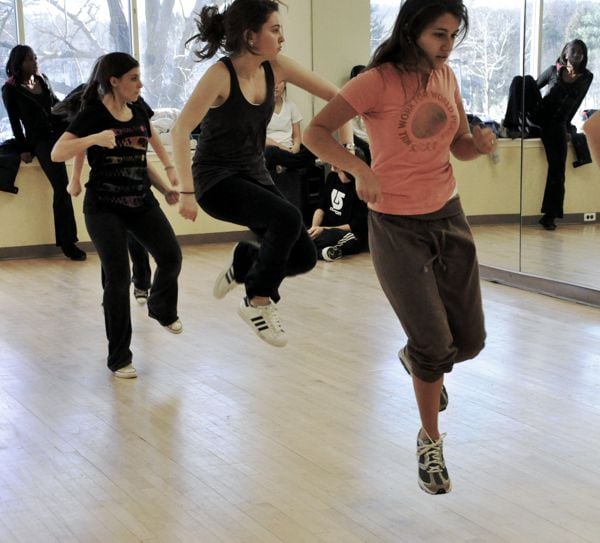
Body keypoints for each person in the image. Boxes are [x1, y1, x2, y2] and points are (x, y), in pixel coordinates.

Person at [304, 0, 494, 495]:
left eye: (453, 35)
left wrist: (478, 146)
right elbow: (316, 133)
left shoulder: (446, 77)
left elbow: (458, 146)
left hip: (448, 215)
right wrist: (359, 168)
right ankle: (430, 440)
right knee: (435, 344)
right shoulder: (377, 81)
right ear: (412, 31)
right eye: (438, 34)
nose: (447, 45)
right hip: (396, 224)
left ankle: (416, 358)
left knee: (469, 341)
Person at [171, 0, 354, 348]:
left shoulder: (277, 67)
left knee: (304, 256)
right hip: (215, 181)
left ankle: (245, 262)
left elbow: (338, 97)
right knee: (287, 217)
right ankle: (257, 301)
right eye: (275, 29)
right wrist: (186, 192)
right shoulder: (220, 75)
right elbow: (180, 130)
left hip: (254, 175)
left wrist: (345, 151)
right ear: (250, 36)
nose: (282, 38)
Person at [51, 52, 183, 379]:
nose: (141, 84)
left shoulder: (138, 111)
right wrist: (94, 139)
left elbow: (139, 159)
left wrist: (165, 188)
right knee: (118, 280)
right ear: (114, 81)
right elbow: (58, 153)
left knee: (171, 256)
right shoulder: (93, 114)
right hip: (103, 207)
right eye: (134, 79)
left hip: (141, 201)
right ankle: (120, 358)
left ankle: (160, 307)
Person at [2, 45, 86, 260]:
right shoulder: (10, 89)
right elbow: (15, 123)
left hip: (57, 128)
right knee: (62, 186)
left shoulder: (42, 80)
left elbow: (55, 105)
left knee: (85, 88)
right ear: (19, 63)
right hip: (40, 139)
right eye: (30, 59)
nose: (35, 62)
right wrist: (24, 148)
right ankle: (68, 243)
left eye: (36, 58)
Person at [503, 39, 593, 231]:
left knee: (557, 169)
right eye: (574, 51)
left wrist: (567, 126)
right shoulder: (553, 70)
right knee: (522, 80)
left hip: (556, 124)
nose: (577, 55)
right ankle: (511, 125)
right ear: (566, 53)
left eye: (581, 52)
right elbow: (532, 87)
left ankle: (550, 216)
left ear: (584, 56)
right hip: (539, 115)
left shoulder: (586, 77)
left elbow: (577, 102)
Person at [308, 170, 367, 261]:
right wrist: (314, 228)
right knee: (301, 232)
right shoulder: (332, 177)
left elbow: (355, 225)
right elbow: (321, 207)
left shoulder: (360, 187)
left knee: (329, 239)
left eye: (337, 167)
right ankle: (321, 252)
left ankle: (313, 250)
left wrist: (323, 229)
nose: (332, 169)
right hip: (325, 229)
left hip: (348, 233)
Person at [264, 79, 315, 172]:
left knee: (313, 148)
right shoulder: (261, 108)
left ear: (285, 84)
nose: (276, 86)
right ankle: (295, 163)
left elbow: (297, 136)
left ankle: (287, 165)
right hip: (273, 150)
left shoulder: (291, 106)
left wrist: (296, 147)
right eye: (273, 82)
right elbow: (261, 138)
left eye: (279, 82)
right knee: (269, 152)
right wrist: (282, 147)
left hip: (290, 149)